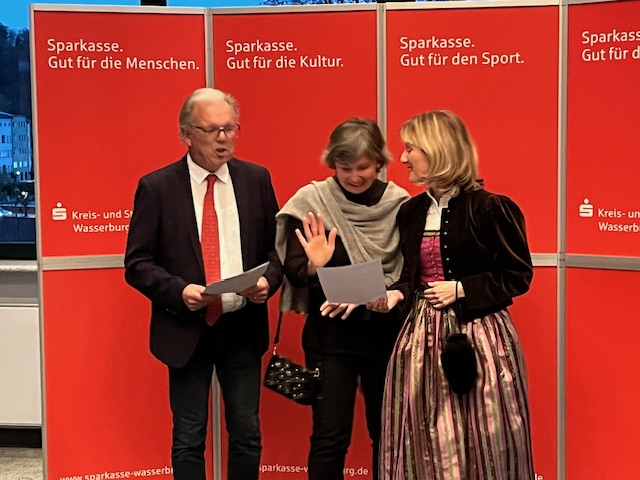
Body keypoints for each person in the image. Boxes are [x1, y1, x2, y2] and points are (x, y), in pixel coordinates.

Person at [124, 88, 283, 480]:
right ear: (186, 134)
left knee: (247, 433)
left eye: (230, 128)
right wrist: (179, 291)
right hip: (186, 328)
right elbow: (138, 263)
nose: (224, 138)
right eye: (212, 130)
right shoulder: (157, 187)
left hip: (241, 327)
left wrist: (267, 282)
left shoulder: (256, 179)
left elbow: (277, 250)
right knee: (188, 436)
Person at [374, 110, 535, 479]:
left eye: (410, 148)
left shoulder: (491, 207)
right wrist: (397, 295)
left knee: (485, 431)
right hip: (420, 339)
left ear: (437, 150)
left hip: (480, 338)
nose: (402, 158)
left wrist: (462, 288)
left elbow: (517, 275)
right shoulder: (411, 211)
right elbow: (410, 277)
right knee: (423, 432)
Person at [275, 118, 410, 480]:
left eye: (362, 167)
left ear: (379, 162)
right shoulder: (313, 201)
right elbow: (293, 270)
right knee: (330, 437)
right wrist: (315, 266)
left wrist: (387, 293)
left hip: (385, 335)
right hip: (331, 339)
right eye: (344, 167)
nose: (353, 176)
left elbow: (411, 274)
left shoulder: (401, 204)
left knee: (388, 436)